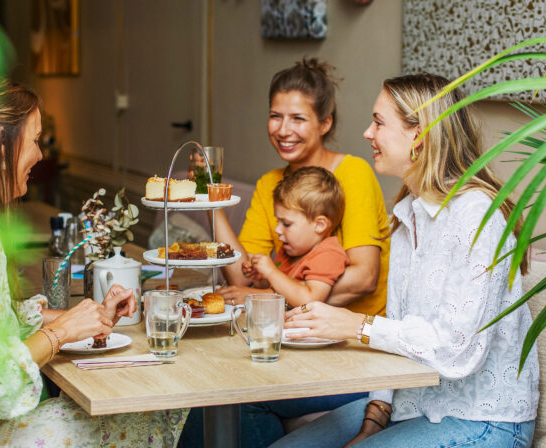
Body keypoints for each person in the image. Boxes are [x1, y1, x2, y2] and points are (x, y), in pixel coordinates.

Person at [0, 77, 186, 447]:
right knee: (138, 408)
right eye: (35, 140)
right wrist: (62, 333)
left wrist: (81, 317)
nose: (40, 155)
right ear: (0, 144)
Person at [272, 73, 539, 448]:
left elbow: (457, 350)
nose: (367, 133)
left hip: (484, 420)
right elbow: (396, 335)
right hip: (412, 406)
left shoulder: (477, 216)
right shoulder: (407, 218)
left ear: (421, 135)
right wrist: (373, 419)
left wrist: (357, 325)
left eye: (379, 122)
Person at [180, 58, 390, 448]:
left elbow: (364, 276)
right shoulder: (270, 185)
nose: (283, 129)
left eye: (298, 118)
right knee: (210, 389)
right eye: (275, 116)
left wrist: (267, 298)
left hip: (352, 348)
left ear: (325, 123)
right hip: (294, 343)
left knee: (239, 398)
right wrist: (213, 202)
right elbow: (241, 277)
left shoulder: (353, 174)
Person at [242, 166, 348, 307]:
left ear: (320, 225)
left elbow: (309, 301)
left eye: (286, 224)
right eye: (278, 221)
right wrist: (260, 277)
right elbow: (281, 289)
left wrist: (271, 271)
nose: (277, 229)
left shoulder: (328, 254)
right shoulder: (290, 249)